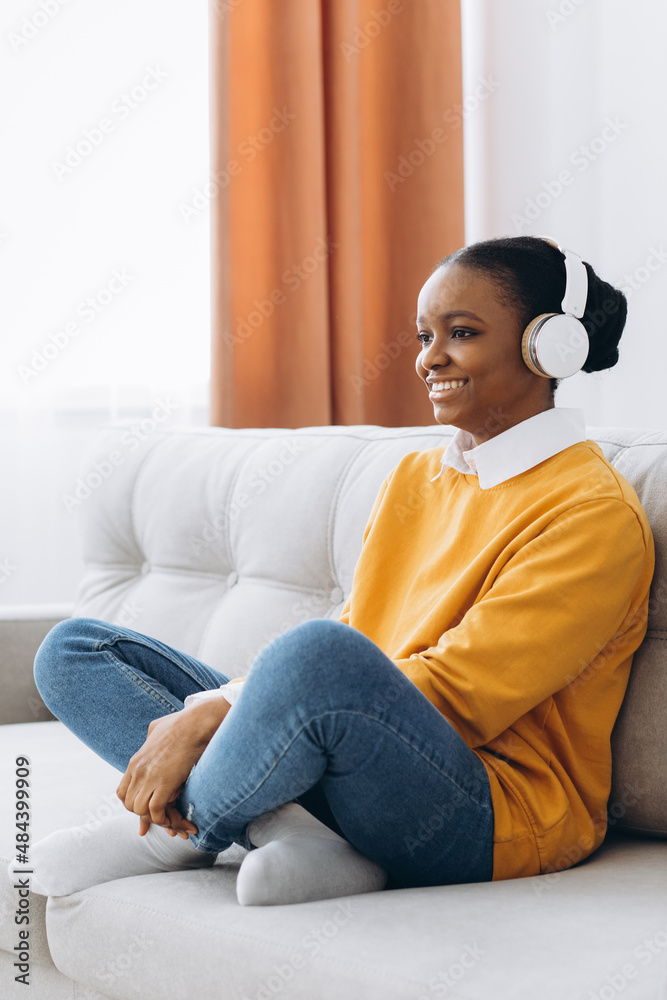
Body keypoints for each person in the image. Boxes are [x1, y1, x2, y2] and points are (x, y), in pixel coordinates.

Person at [20, 235, 654, 906]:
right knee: (76, 649)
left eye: (460, 334)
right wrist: (223, 706)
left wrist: (211, 716)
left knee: (314, 654)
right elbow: (363, 629)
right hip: (354, 751)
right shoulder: (419, 475)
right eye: (422, 335)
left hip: (486, 809)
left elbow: (459, 696)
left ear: (547, 348)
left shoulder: (591, 514)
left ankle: (178, 832)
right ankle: (291, 830)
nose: (428, 359)